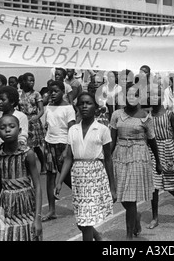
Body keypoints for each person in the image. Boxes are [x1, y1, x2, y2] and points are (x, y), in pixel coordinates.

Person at [55, 92, 116, 241]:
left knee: (86, 220)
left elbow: (108, 159)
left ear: (95, 107)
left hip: (95, 175)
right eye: (81, 103)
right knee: (81, 220)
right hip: (78, 177)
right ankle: (97, 236)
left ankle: (93, 236)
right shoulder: (73, 130)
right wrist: (59, 181)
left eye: (88, 103)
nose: (84, 106)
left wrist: (112, 187)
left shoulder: (102, 130)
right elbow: (69, 158)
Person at [109, 82, 161, 239]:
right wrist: (106, 159)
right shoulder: (117, 114)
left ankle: (128, 236)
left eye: (135, 95)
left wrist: (158, 162)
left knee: (130, 198)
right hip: (119, 155)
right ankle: (135, 218)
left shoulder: (145, 116)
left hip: (138, 156)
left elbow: (152, 140)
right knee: (120, 195)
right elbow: (112, 140)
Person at [0, 115, 42, 241]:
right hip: (6, 206)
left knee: (28, 235)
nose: (7, 130)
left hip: (26, 207)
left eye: (12, 126)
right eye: (3, 128)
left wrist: (38, 218)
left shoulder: (27, 154)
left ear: (19, 131)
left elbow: (38, 185)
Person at [147, 86, 174, 229]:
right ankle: (155, 217)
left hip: (169, 149)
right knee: (155, 186)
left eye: (156, 95)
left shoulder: (169, 114)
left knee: (170, 182)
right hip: (154, 151)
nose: (154, 98)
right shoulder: (148, 116)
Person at [0, 86, 29, 205]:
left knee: (13, 190)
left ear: (12, 102)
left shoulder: (21, 117)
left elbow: (22, 137)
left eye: (3, 100)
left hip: (13, 158)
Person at [42, 80, 75, 221]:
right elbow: (48, 126)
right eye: (51, 91)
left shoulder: (68, 108)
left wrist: (66, 149)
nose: (53, 94)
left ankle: (84, 199)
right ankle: (51, 210)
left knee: (67, 177)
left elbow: (72, 130)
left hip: (63, 144)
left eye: (56, 91)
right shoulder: (48, 106)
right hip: (50, 144)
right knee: (50, 177)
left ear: (63, 92)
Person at [18, 72, 46, 174]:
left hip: (34, 122)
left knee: (36, 146)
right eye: (29, 80)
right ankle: (27, 168)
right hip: (23, 121)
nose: (31, 82)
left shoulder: (36, 94)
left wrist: (35, 118)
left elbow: (41, 110)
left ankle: (43, 166)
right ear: (24, 81)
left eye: (33, 80)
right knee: (25, 145)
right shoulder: (19, 94)